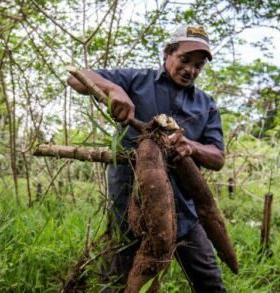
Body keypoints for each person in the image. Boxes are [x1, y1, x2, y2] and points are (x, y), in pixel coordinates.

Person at [67, 25, 226, 292]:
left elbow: (218, 157)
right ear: (167, 54)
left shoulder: (206, 105)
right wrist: (113, 90)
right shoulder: (136, 80)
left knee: (210, 282)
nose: (191, 70)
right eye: (185, 60)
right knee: (116, 281)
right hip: (129, 208)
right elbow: (77, 77)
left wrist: (192, 147)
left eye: (198, 65)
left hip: (183, 212)